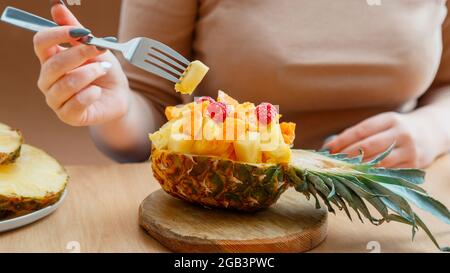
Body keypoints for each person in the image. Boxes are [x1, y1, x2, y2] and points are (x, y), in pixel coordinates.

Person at [36, 0, 450, 167]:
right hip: (229, 220)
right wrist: (116, 107)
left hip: (392, 200)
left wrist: (432, 128)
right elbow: (147, 114)